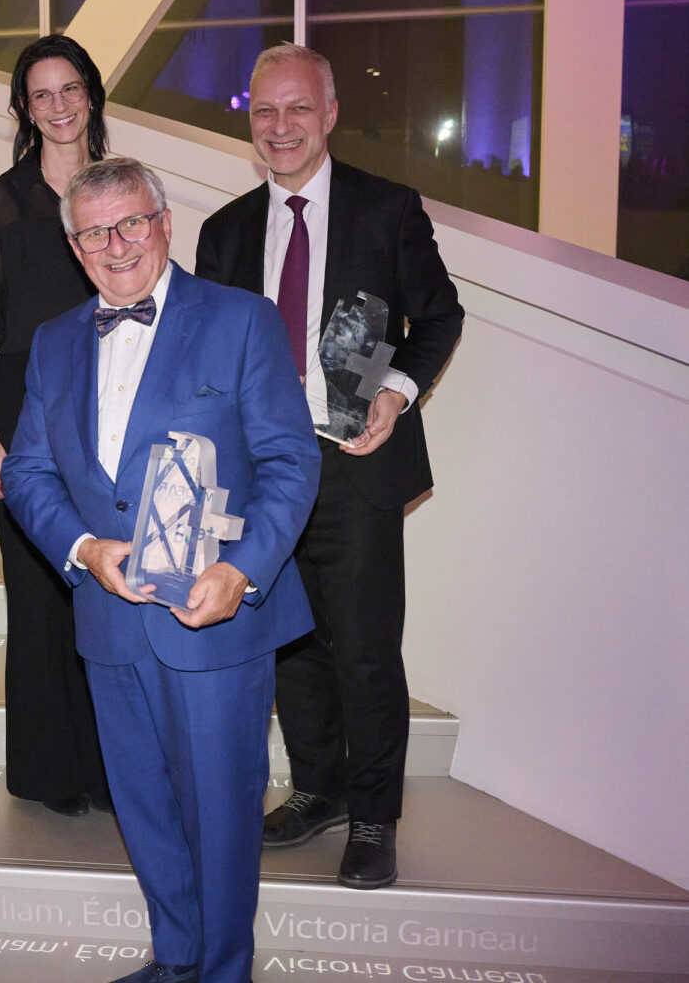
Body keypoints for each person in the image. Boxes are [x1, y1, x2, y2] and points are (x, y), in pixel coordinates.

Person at [2, 157, 320, 983]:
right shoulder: (51, 343)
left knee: (220, 815)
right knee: (144, 810)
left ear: (165, 223)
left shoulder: (241, 320)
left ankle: (222, 972)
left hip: (213, 618)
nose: (116, 245)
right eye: (95, 231)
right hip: (108, 618)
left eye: (132, 222)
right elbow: (29, 472)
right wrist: (81, 549)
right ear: (75, 246)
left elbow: (291, 463)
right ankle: (177, 962)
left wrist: (245, 572)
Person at [195, 43, 464, 889]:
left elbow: (440, 315)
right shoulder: (226, 230)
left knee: (366, 648)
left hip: (355, 457)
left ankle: (375, 816)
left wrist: (396, 391)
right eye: (266, 111)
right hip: (265, 468)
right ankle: (319, 788)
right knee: (289, 643)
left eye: (298, 108)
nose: (281, 127)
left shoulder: (387, 210)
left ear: (331, 111)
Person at [0, 34, 112, 815]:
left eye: (69, 88)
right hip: (24, 409)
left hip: (112, 402)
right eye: (40, 94)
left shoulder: (117, 191)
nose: (57, 106)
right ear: (24, 107)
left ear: (91, 94)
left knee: (110, 591)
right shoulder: (0, 201)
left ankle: (110, 769)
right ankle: (51, 774)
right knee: (39, 591)